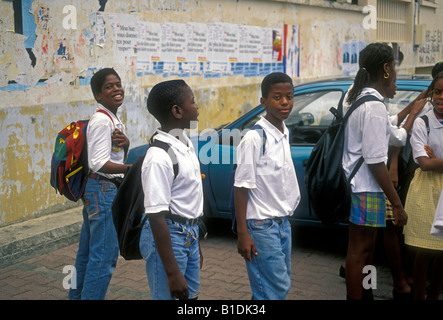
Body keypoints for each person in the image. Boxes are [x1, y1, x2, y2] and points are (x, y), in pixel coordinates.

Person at [342, 43, 408, 300]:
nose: (395, 71)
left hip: (362, 186)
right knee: (360, 252)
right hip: (366, 186)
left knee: (366, 251)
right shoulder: (374, 107)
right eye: (394, 65)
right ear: (385, 69)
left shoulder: (359, 98)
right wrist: (397, 203)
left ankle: (363, 294)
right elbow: (375, 162)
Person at [234, 72, 301, 300]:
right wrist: (243, 232)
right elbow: (241, 187)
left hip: (282, 224)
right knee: (274, 290)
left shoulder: (284, 132)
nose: (284, 102)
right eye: (277, 97)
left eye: (289, 97)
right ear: (264, 102)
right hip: (261, 226)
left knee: (272, 289)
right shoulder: (254, 138)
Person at [68, 68, 131, 300]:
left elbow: (112, 157)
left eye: (118, 83)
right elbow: (98, 163)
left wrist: (126, 144)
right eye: (108, 86)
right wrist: (131, 170)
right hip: (102, 191)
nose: (116, 89)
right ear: (98, 95)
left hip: (98, 191)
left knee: (86, 255)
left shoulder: (112, 119)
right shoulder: (101, 121)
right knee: (104, 258)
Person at [139, 79, 203, 300]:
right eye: (192, 102)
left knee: (190, 298)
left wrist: (195, 242)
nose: (197, 106)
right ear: (177, 111)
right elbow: (156, 217)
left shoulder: (184, 141)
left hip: (188, 235)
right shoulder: (158, 157)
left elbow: (188, 200)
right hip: (169, 237)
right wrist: (173, 272)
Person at [403, 71, 443, 300]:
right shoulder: (423, 122)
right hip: (427, 191)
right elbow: (425, 164)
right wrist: (432, 160)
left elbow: (432, 161)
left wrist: (437, 159)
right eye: (437, 92)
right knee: (424, 250)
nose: (441, 97)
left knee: (442, 254)